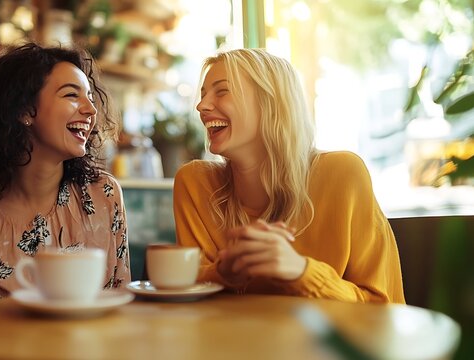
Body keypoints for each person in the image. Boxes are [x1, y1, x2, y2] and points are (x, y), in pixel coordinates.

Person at [173, 48, 405, 303]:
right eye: (204, 95)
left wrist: (300, 271)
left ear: (270, 101)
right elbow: (189, 297)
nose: (201, 106)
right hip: (231, 341)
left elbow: (382, 307)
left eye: (222, 91)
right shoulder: (194, 183)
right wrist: (223, 274)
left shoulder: (343, 174)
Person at [0, 43, 130, 309]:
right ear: (22, 110)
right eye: (71, 95)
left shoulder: (105, 196)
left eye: (90, 97)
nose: (91, 110)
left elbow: (122, 306)